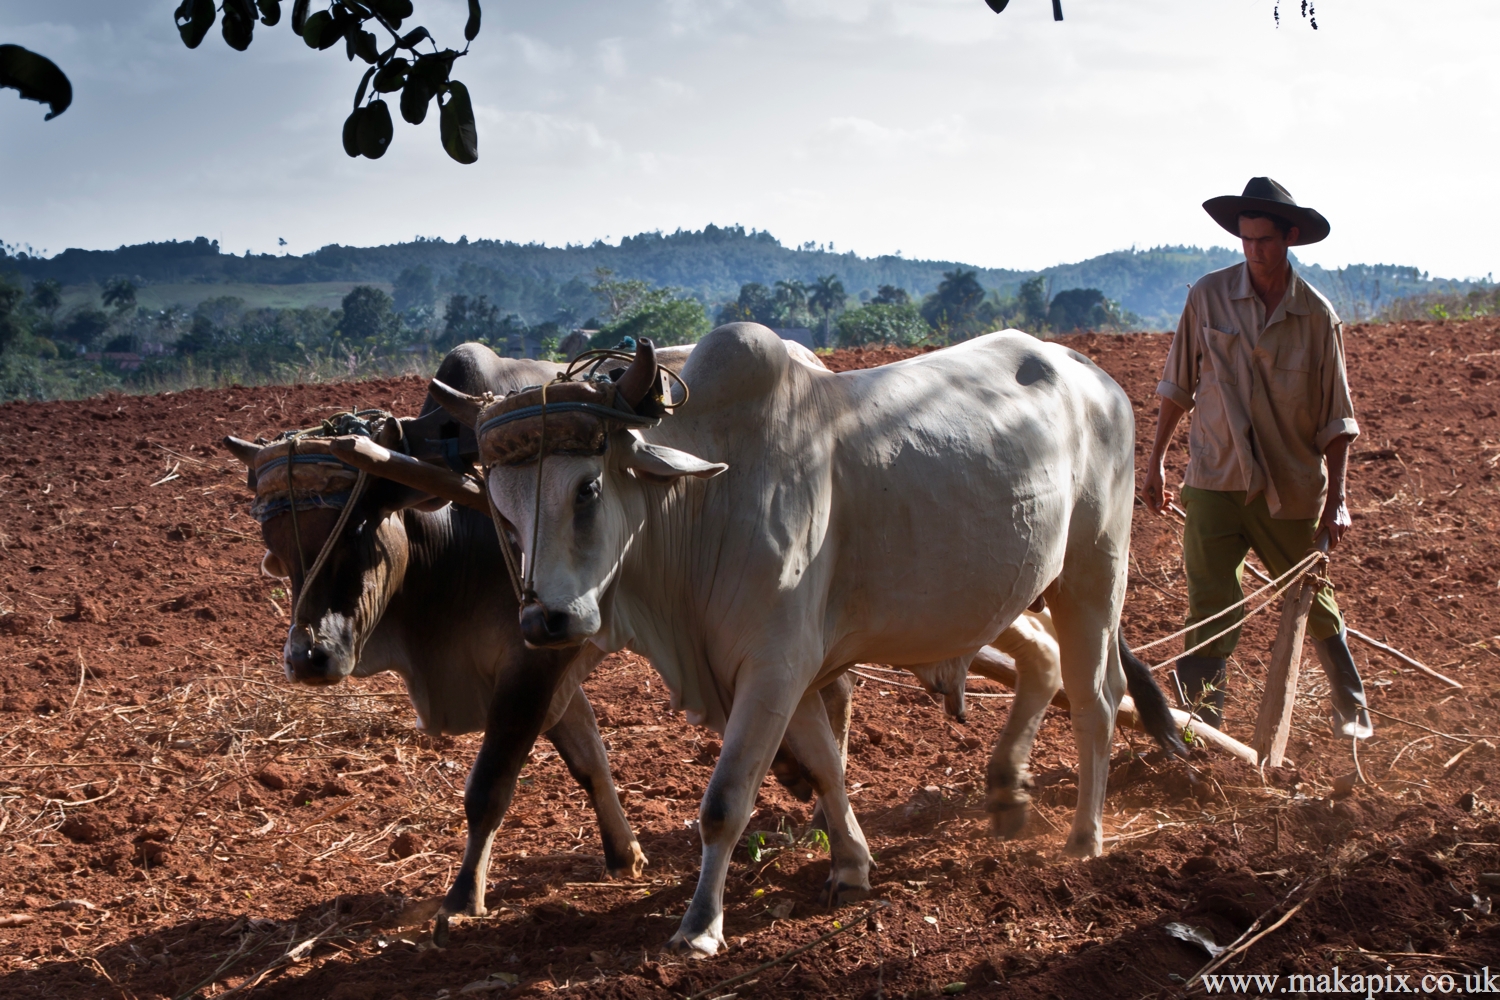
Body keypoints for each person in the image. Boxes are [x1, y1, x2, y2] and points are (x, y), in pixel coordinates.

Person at [1142, 176, 1372, 739]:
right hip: (1215, 477)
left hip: (1290, 488)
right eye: (1245, 240)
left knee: (1311, 599)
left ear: (1289, 237)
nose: (1254, 251)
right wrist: (1154, 463)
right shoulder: (1208, 297)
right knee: (1210, 603)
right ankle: (1203, 729)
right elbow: (1178, 385)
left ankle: (1352, 714)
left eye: (1264, 240)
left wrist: (1337, 501)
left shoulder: (1317, 318)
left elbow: (1336, 419)